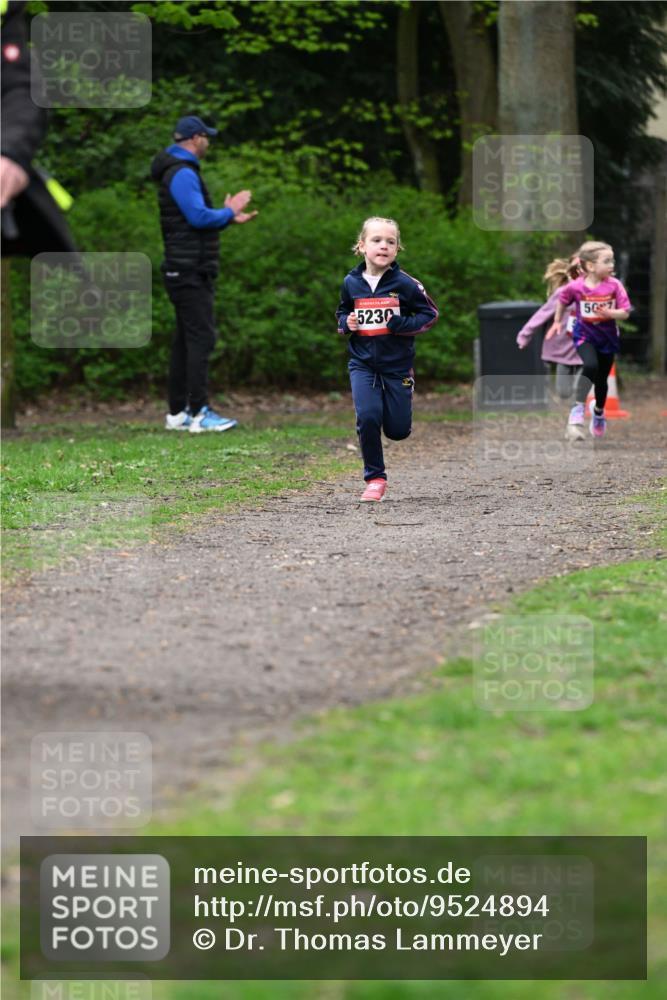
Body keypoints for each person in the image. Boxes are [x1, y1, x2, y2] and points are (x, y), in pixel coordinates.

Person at [151, 114, 257, 433]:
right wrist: (228, 211)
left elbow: (193, 218)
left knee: (185, 340)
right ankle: (199, 412)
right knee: (201, 337)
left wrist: (225, 218)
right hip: (189, 270)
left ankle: (178, 413)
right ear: (196, 138)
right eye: (207, 137)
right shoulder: (182, 172)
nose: (208, 142)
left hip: (183, 268)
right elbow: (197, 217)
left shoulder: (177, 170)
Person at [336, 216, 438, 502]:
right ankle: (375, 478)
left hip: (397, 366)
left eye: (390, 242)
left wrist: (401, 324)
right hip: (362, 362)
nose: (384, 246)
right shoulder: (351, 282)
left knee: (397, 431)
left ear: (397, 249)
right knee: (367, 416)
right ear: (362, 246)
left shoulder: (406, 284)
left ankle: (402, 402)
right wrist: (348, 323)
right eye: (377, 240)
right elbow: (341, 312)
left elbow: (429, 315)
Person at [546, 241, 631, 439]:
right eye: (607, 261)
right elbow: (562, 301)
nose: (612, 265)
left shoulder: (615, 285)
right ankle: (578, 407)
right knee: (590, 365)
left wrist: (611, 312)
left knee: (602, 381)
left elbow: (625, 312)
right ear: (591, 266)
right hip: (584, 335)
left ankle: (599, 412)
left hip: (607, 338)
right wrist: (557, 321)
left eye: (613, 260)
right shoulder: (576, 287)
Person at [516, 255, 583, 440]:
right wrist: (525, 334)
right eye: (577, 270)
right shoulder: (563, 293)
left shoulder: (595, 293)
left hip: (586, 349)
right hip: (563, 352)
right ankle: (574, 420)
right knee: (564, 392)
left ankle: (575, 425)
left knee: (580, 388)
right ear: (570, 273)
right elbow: (542, 314)